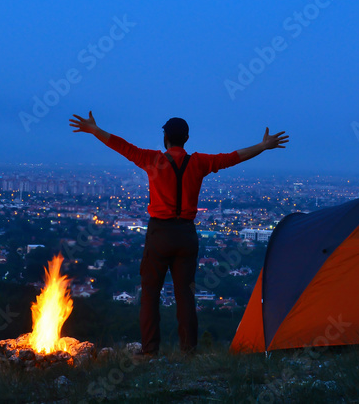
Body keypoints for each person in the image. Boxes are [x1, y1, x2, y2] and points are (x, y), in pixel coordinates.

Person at [69, 110, 288, 355]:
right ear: (186, 138)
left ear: (165, 137)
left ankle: (150, 351)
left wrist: (95, 130)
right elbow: (232, 158)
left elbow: (122, 146)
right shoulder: (199, 162)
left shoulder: (153, 160)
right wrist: (263, 145)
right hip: (186, 234)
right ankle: (189, 353)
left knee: (150, 294)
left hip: (160, 233)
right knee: (185, 296)